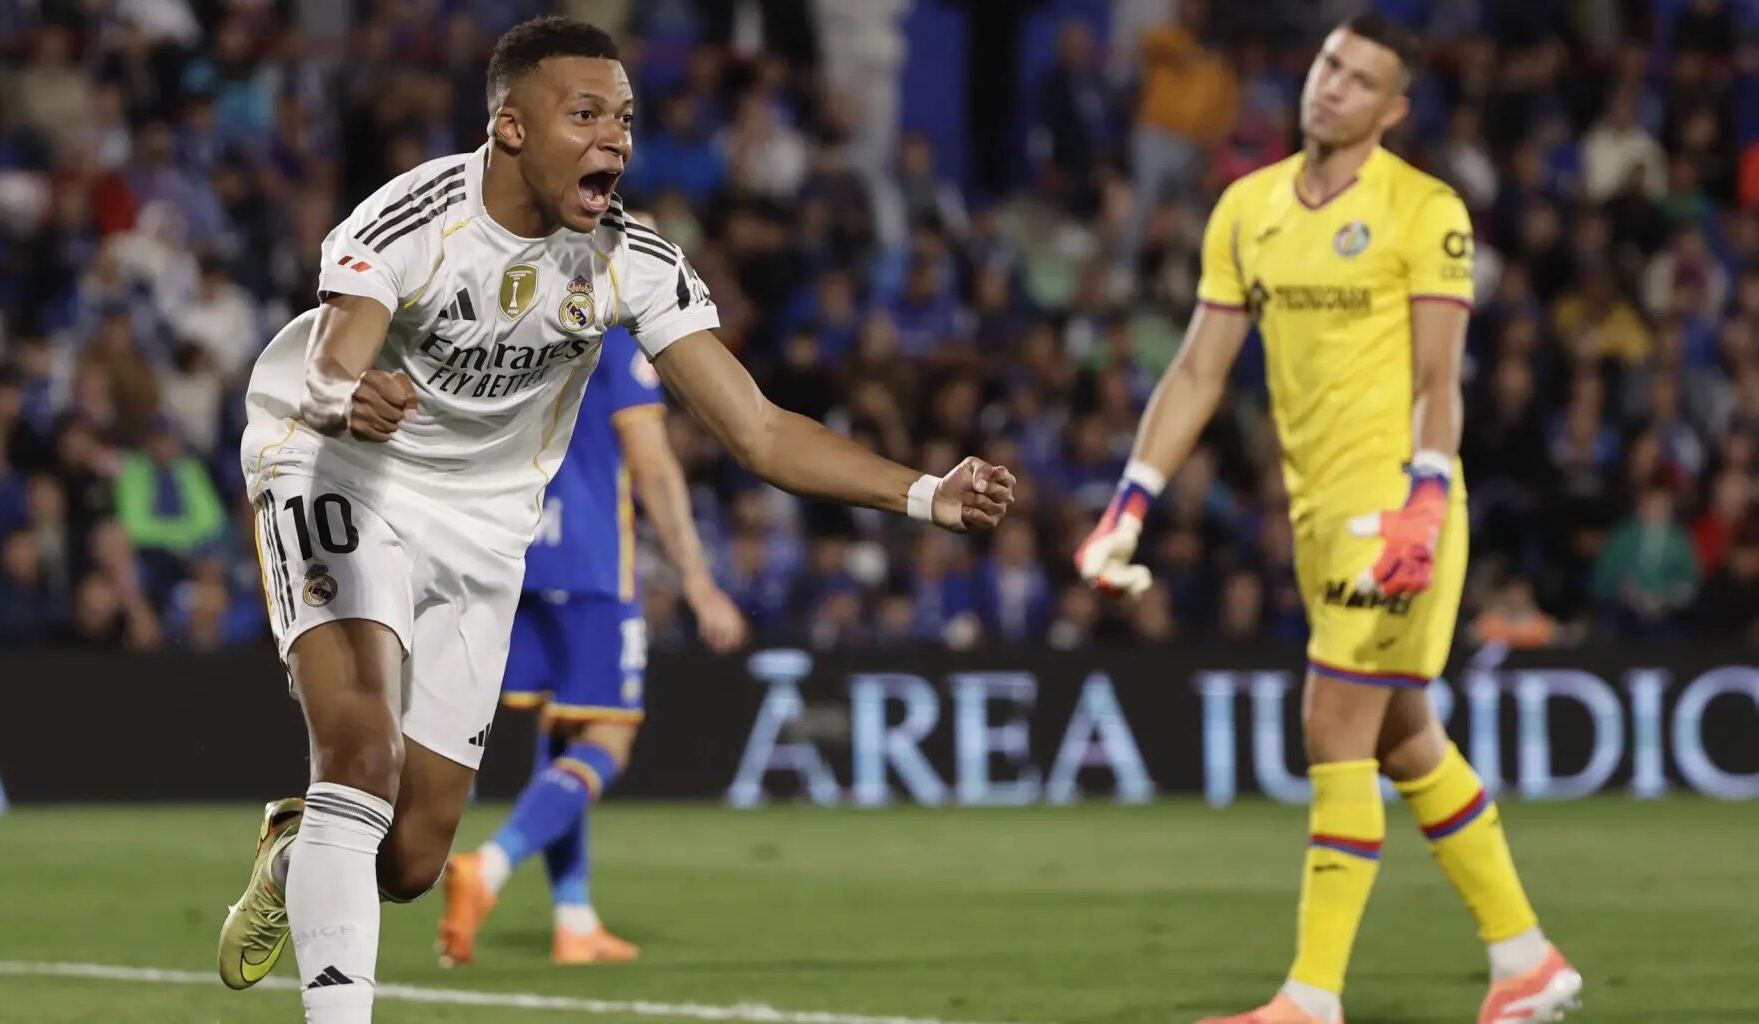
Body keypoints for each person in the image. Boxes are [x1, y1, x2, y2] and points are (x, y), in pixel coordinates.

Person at [213, 17, 1014, 1024]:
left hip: (485, 527)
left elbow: (759, 430)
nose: (615, 140)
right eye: (585, 114)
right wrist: (340, 395)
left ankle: (300, 858)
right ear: (510, 129)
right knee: (361, 751)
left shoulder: (632, 260)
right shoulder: (411, 219)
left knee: (412, 857)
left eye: (625, 118)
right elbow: (333, 358)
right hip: (337, 470)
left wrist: (922, 491)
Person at [1075, 16, 1579, 1024]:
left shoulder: (1423, 210)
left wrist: (1428, 498)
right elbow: (1199, 370)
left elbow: (1442, 374)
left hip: (1395, 509)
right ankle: (1526, 959)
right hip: (1313, 515)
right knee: (1402, 738)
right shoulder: (1247, 208)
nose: (1332, 88)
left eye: (1359, 81)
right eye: (1327, 66)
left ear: (1393, 110)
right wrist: (1132, 501)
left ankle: (1310, 998)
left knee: (1332, 722)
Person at [434, 316, 748, 967]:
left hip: (508, 553)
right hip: (589, 564)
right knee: (609, 738)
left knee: (562, 734)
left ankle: (574, 919)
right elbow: (654, 467)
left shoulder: (512, 324)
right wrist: (697, 581)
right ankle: (488, 869)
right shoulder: (617, 341)